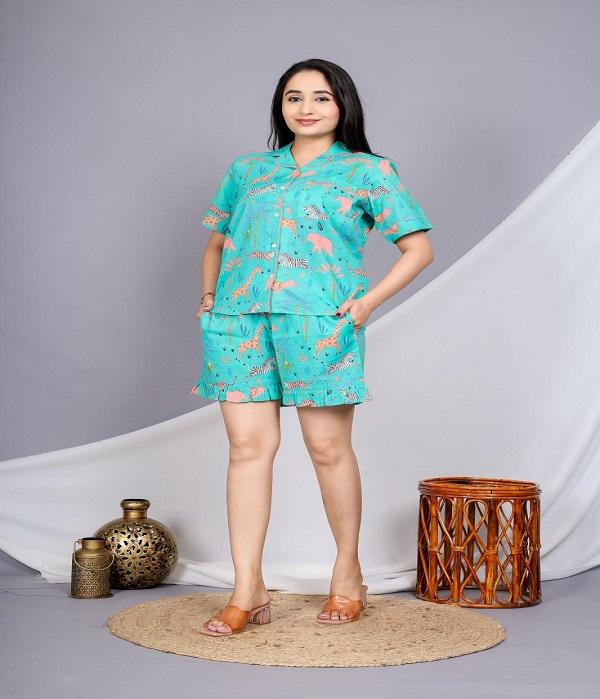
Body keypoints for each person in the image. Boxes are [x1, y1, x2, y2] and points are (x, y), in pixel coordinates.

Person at [191, 58, 434, 636]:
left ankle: (347, 574)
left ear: (342, 104)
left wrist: (366, 304)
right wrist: (209, 297)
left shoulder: (368, 172)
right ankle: (247, 589)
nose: (306, 108)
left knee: (327, 449)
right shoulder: (248, 170)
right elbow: (218, 242)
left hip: (320, 326)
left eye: (321, 97)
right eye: (294, 97)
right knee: (246, 450)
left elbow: (418, 249)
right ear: (281, 106)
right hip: (240, 324)